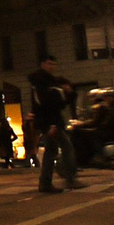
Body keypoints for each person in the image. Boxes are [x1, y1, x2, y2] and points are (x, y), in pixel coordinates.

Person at [28, 59, 80, 193]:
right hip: (51, 122)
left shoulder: (50, 82)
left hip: (52, 121)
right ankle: (70, 179)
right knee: (66, 148)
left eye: (54, 64)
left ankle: (45, 183)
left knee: (51, 151)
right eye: (49, 64)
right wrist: (51, 124)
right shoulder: (41, 82)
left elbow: (59, 104)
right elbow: (46, 104)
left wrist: (68, 93)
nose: (52, 67)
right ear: (43, 64)